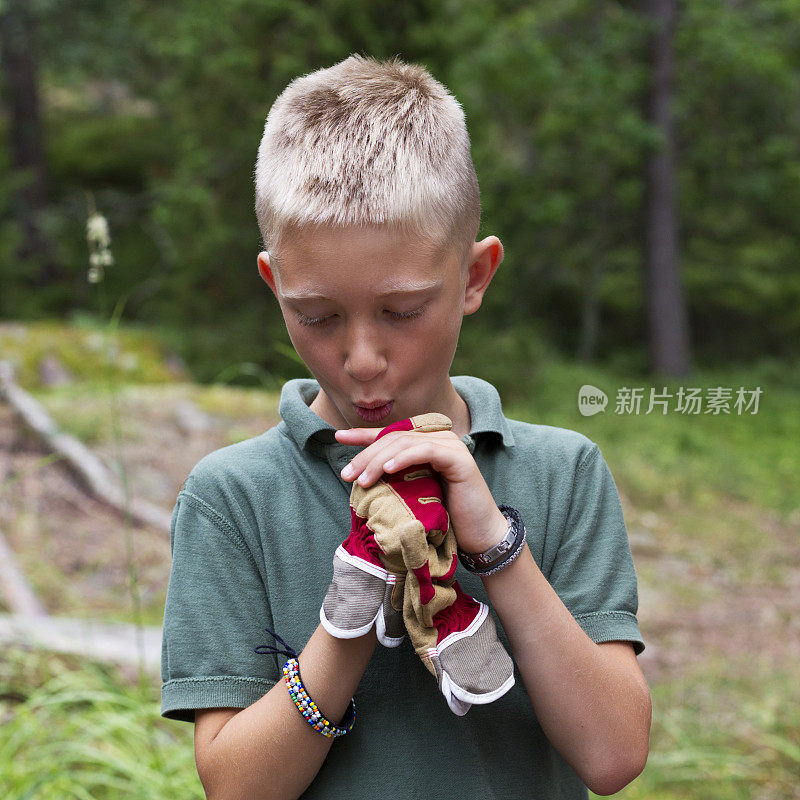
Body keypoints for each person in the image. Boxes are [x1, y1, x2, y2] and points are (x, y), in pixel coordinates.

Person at [160, 53, 652, 799]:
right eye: (317, 316)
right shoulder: (232, 497)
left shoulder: (563, 473)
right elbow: (237, 788)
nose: (362, 359)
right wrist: (352, 611)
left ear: (475, 277)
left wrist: (495, 544)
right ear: (275, 286)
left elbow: (613, 755)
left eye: (402, 311)